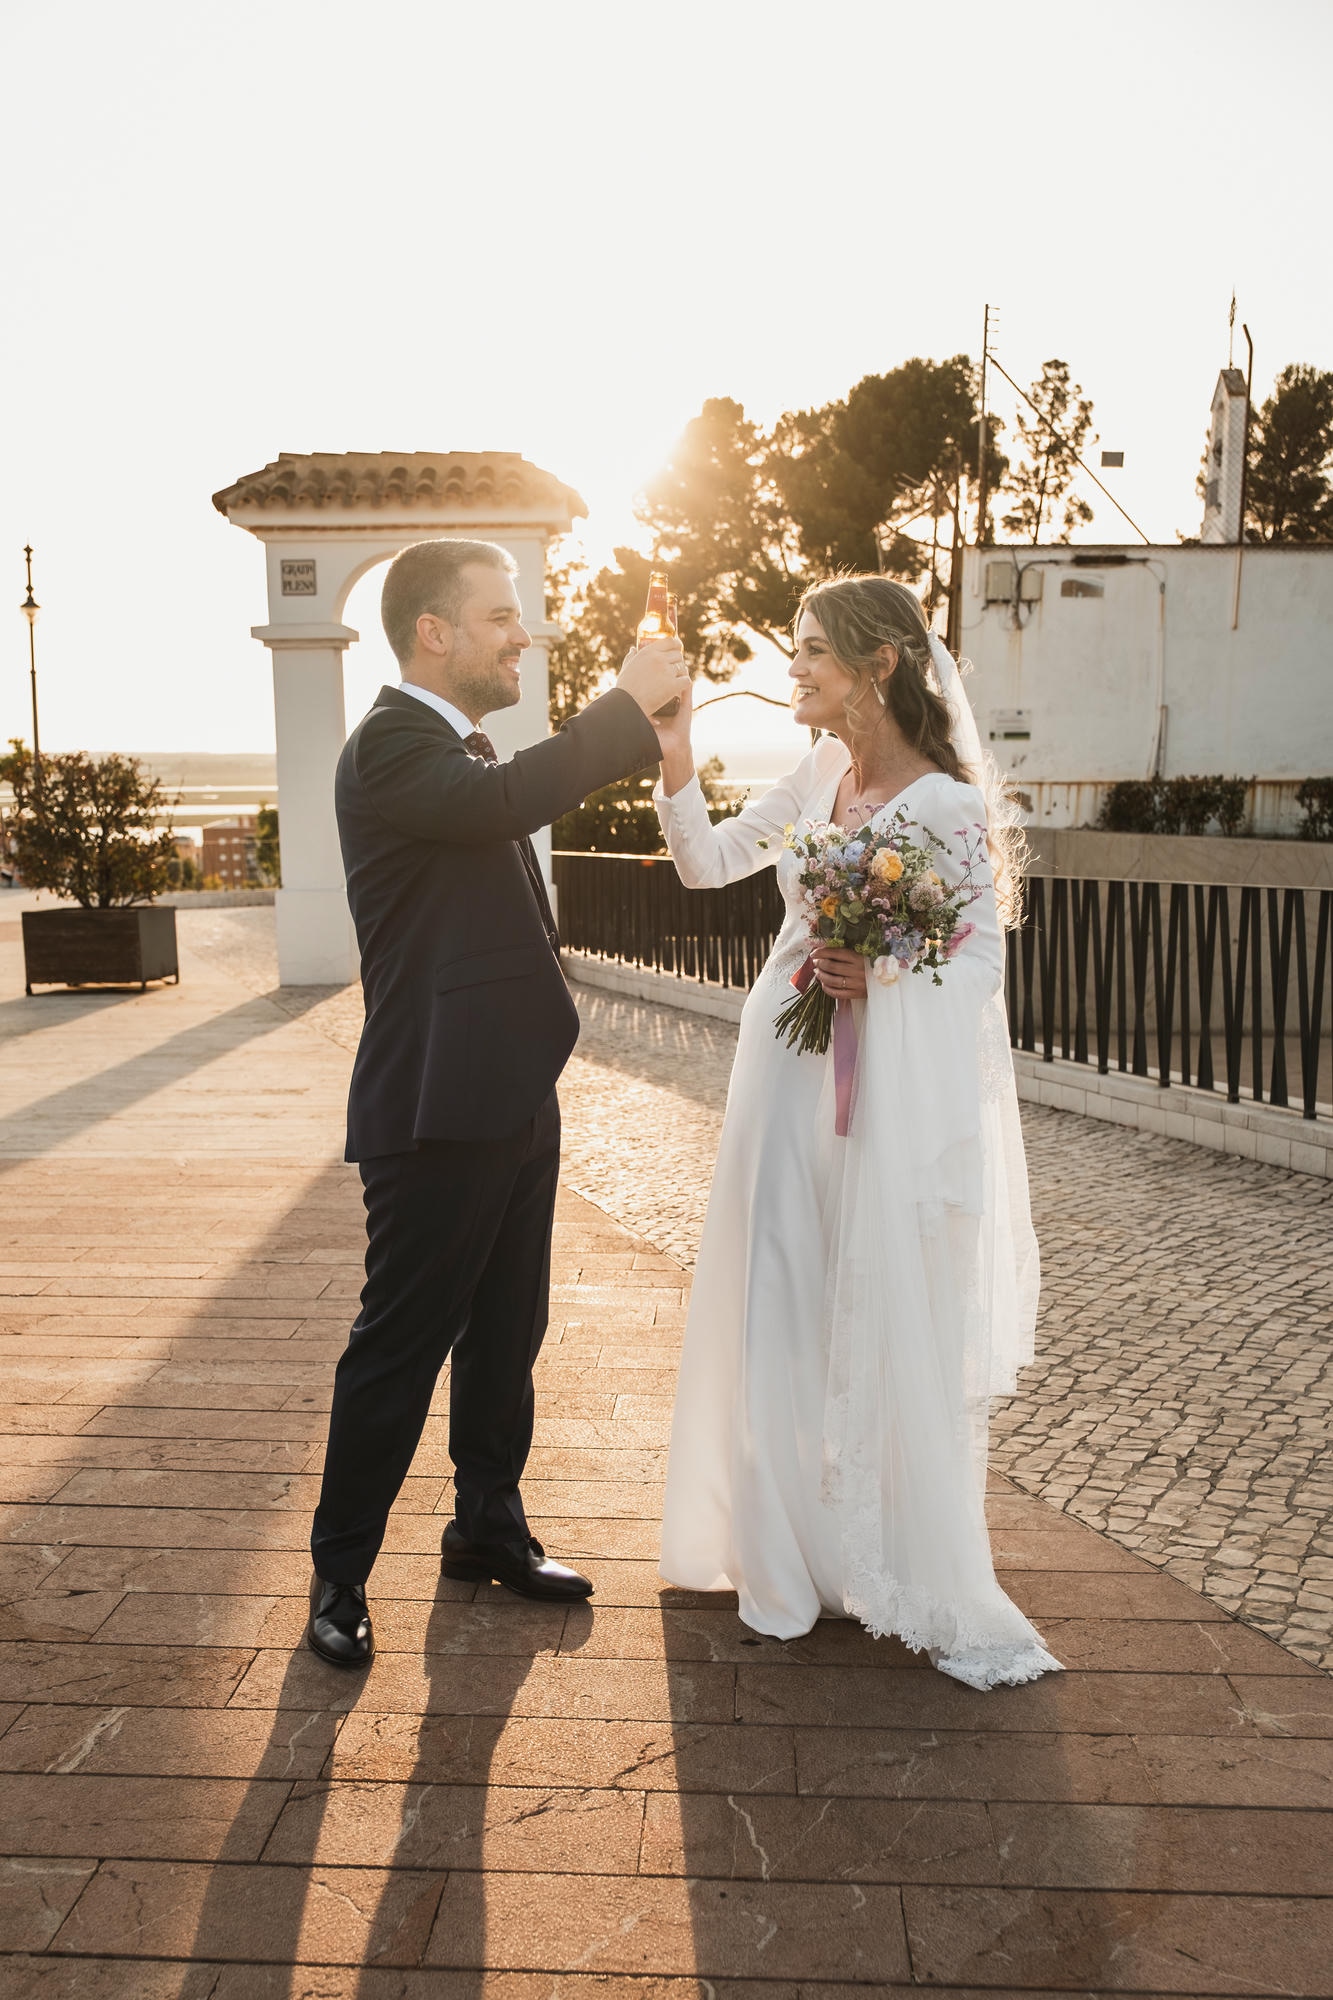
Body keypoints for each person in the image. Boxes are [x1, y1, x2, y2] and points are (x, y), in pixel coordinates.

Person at [649, 574, 1061, 1689]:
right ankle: (777, 1558)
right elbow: (705, 859)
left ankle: (871, 1544)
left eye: (813, 651)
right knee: (777, 1289)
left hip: (884, 1082)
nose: (795, 669)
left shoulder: (949, 809)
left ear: (879, 665)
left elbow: (977, 962)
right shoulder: (820, 768)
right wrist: (675, 748)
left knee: (865, 1293)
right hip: (779, 1071)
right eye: (793, 650)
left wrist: (877, 971)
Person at [307, 536, 685, 1667]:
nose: (525, 633)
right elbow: (511, 798)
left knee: (507, 1332)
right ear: (434, 632)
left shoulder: (453, 747)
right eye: (501, 617)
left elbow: (499, 810)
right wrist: (626, 704)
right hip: (433, 1106)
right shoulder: (389, 747)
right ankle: (339, 1574)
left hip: (513, 1088)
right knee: (400, 1343)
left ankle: (487, 1526)